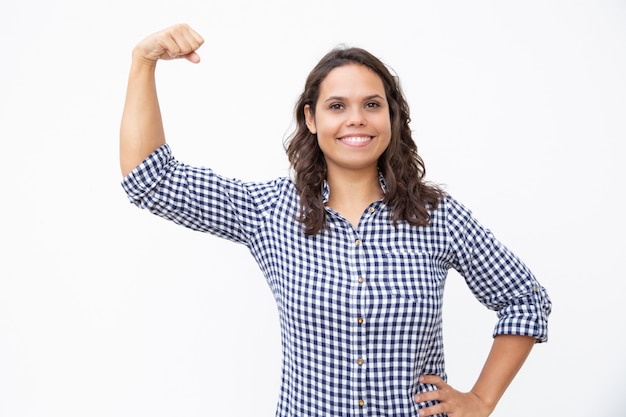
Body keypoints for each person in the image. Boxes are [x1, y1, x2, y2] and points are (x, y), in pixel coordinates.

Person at [120, 23, 551, 417]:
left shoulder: (436, 217)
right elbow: (151, 181)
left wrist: (480, 400)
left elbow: (525, 300)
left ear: (392, 117)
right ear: (311, 118)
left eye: (372, 104)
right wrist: (144, 62)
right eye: (337, 106)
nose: (356, 118)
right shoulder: (270, 211)